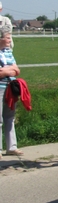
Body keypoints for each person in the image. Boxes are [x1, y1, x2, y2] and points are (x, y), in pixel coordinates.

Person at [0, 25, 23, 158]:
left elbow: (16, 69)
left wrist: (5, 70)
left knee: (10, 116)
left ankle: (11, 147)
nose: (10, 40)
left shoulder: (8, 51)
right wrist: (9, 70)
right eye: (8, 37)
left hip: (9, 88)